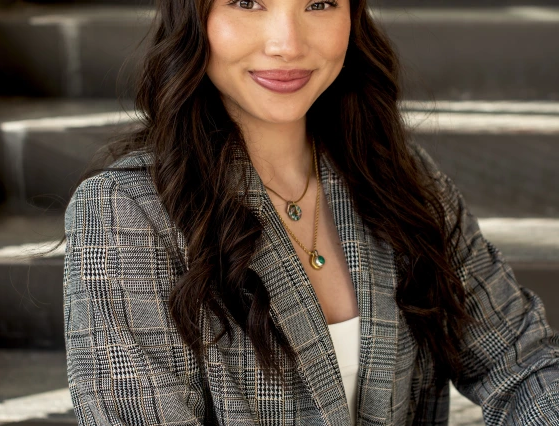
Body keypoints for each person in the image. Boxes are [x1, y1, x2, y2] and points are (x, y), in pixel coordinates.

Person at [62, 0, 559, 423]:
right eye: (248, 1)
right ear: (193, 16)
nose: (288, 44)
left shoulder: (397, 179)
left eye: (319, 3)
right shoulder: (126, 210)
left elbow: (523, 363)